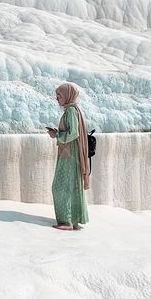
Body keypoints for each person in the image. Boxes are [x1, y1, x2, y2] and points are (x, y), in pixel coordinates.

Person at [46, 82, 90, 230]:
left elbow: (73, 133)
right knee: (69, 186)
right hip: (70, 153)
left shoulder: (71, 111)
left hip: (69, 155)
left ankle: (66, 222)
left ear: (67, 96)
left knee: (60, 187)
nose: (56, 98)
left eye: (59, 95)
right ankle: (72, 220)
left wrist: (56, 134)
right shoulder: (72, 110)